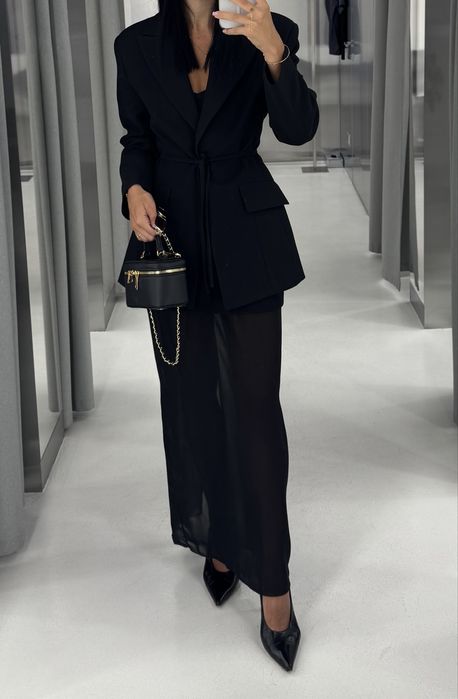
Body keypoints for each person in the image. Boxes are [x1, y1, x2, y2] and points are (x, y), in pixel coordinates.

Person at [114, 0, 319, 672]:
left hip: (248, 239)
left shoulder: (270, 30)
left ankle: (275, 584)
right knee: (196, 403)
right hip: (173, 245)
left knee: (257, 413)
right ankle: (221, 542)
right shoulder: (136, 45)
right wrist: (134, 190)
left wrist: (273, 54)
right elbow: (137, 140)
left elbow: (296, 129)